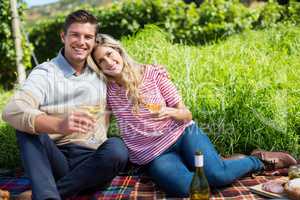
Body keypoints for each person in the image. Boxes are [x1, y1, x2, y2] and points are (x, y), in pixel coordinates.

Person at [89, 34, 298, 197]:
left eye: (109, 54)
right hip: (154, 154)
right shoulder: (105, 90)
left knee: (218, 176)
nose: (108, 61)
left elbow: (186, 114)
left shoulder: (152, 73)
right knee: (186, 188)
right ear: (98, 68)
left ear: (119, 51)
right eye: (101, 61)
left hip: (183, 134)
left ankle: (258, 160)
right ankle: (220, 162)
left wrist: (169, 111)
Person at [2, 10, 128, 200]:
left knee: (117, 148)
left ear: (94, 41)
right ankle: (49, 196)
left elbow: (130, 76)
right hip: (55, 160)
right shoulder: (45, 73)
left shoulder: (100, 69)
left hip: (93, 160)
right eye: (75, 35)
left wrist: (153, 73)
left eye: (88, 37)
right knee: (25, 129)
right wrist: (59, 125)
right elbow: (12, 110)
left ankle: (48, 193)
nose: (82, 42)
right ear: (63, 36)